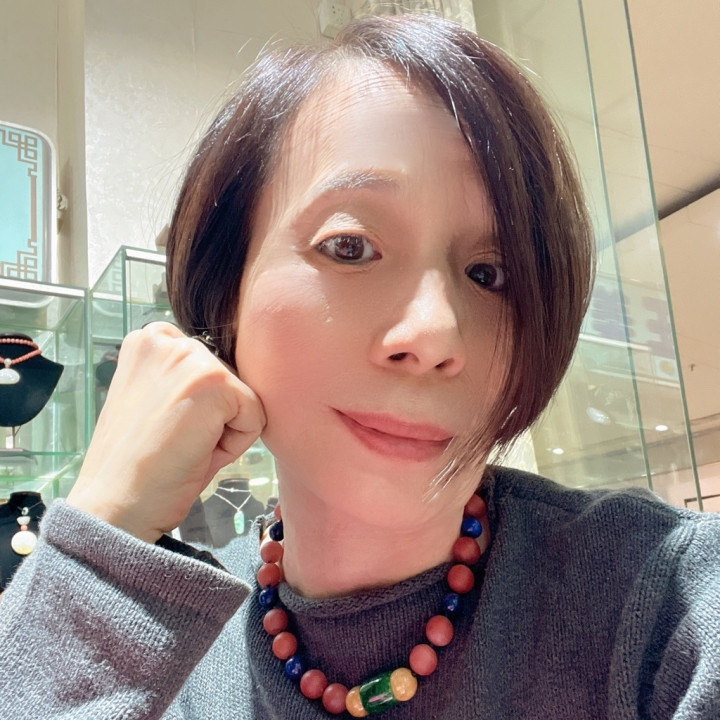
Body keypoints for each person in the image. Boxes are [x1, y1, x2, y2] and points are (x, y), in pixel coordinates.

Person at [0, 13, 718, 720]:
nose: (436, 334)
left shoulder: (667, 605)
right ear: (226, 293)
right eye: (349, 247)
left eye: (490, 274)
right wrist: (102, 543)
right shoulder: (167, 644)